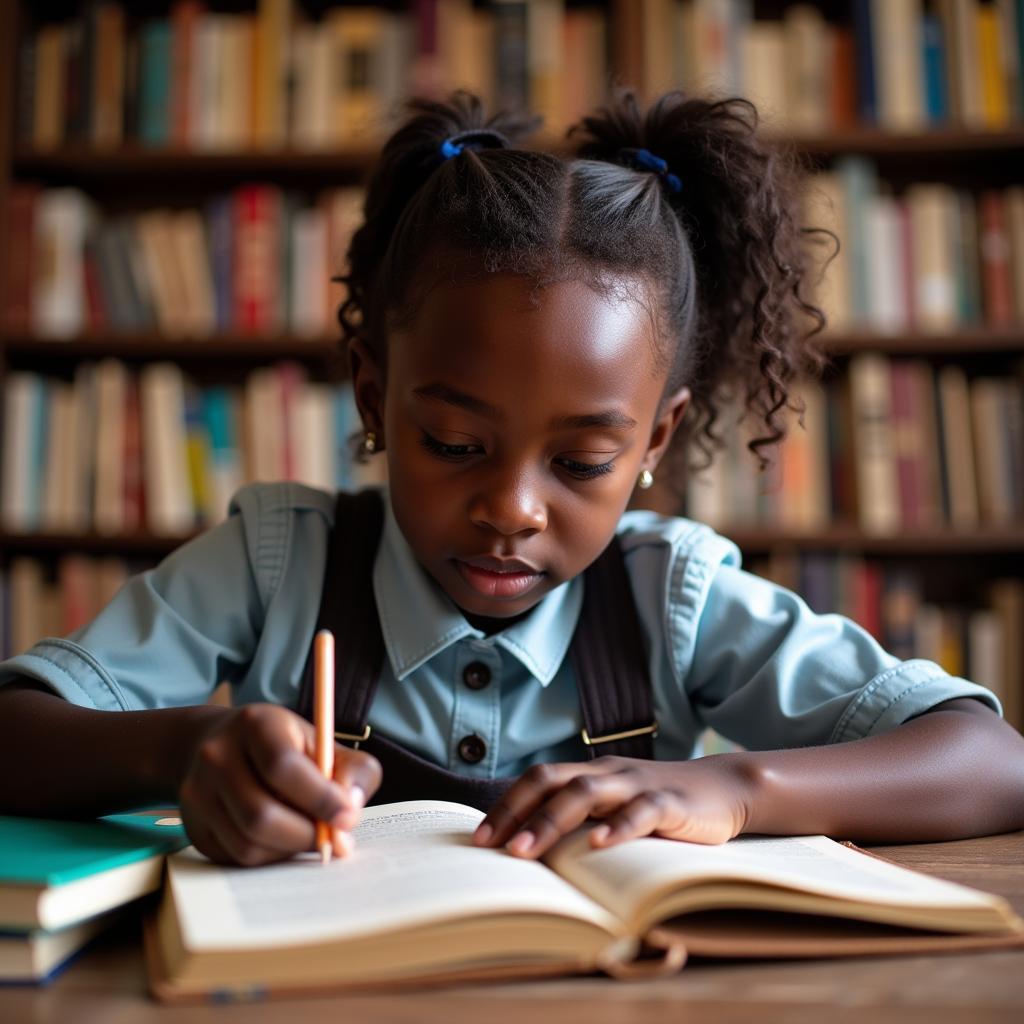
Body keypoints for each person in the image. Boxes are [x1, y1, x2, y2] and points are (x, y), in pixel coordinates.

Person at [1, 90, 1022, 868]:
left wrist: (733, 785)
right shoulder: (277, 564)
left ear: (656, 439)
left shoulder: (672, 594)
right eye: (452, 442)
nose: (512, 510)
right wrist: (187, 747)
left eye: (581, 462)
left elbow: (992, 761)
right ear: (371, 397)